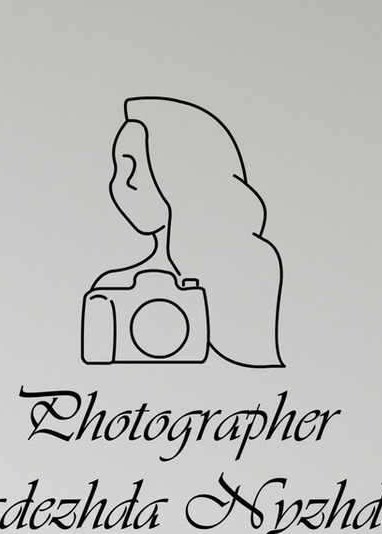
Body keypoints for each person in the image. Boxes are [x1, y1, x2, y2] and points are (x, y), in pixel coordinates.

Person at [83, 95, 285, 372]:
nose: (124, 181)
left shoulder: (115, 285)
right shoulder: (112, 289)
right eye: (119, 166)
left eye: (129, 165)